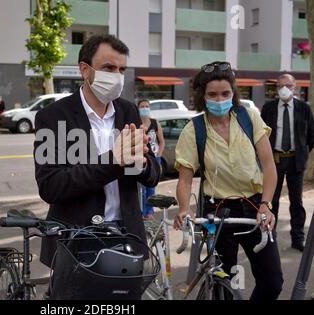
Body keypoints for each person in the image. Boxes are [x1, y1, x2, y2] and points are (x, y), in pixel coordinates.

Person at [33, 35, 160, 269]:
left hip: (126, 236)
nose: (117, 76)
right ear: (85, 70)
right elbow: (50, 186)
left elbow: (153, 173)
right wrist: (114, 160)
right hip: (76, 240)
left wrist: (140, 162)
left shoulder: (128, 111)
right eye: (108, 68)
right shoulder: (52, 117)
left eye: (121, 69)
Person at [173, 61, 283, 300]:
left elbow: (269, 167)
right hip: (218, 213)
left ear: (233, 93)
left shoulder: (249, 117)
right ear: (202, 96)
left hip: (254, 207)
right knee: (223, 284)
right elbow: (185, 180)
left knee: (273, 282)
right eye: (212, 94)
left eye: (225, 93)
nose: (219, 99)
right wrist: (183, 209)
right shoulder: (194, 130)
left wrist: (266, 205)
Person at [260, 74, 314, 252]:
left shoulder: (303, 108)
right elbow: (260, 134)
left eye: (288, 85)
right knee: (271, 200)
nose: (285, 89)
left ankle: (298, 238)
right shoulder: (268, 108)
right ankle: (269, 236)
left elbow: (311, 134)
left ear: (295, 87)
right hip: (274, 160)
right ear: (276, 88)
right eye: (281, 86)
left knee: (296, 201)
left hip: (295, 161)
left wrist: (303, 153)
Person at [136, 99, 165, 220]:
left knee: (151, 188)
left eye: (147, 106)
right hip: (140, 159)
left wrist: (158, 155)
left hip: (154, 159)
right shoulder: (136, 123)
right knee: (140, 187)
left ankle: (149, 212)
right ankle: (141, 212)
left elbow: (162, 141)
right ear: (138, 108)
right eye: (142, 106)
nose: (145, 108)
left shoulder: (154, 123)